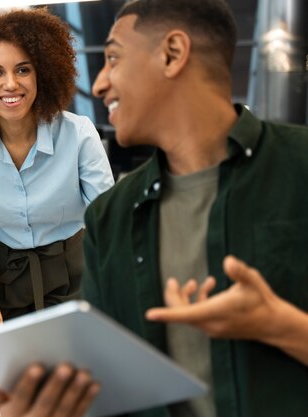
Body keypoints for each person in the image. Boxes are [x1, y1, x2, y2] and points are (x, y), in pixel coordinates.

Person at [83, 0, 308, 416]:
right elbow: (106, 390)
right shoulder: (108, 218)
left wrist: (281, 326)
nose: (98, 84)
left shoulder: (300, 167)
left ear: (172, 54)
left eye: (113, 58)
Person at [0, 8, 114, 329]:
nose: (10, 84)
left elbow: (108, 222)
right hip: (1, 283)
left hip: (74, 277)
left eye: (23, 69)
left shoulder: (78, 133)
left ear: (43, 73)